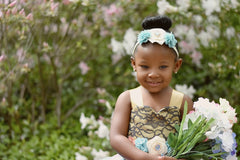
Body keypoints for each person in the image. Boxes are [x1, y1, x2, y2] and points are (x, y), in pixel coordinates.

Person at [109, 15, 193, 160]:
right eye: (145, 66)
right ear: (134, 64)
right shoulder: (128, 98)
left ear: (176, 65)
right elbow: (116, 137)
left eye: (163, 66)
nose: (153, 74)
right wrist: (144, 158)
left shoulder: (182, 102)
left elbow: (192, 142)